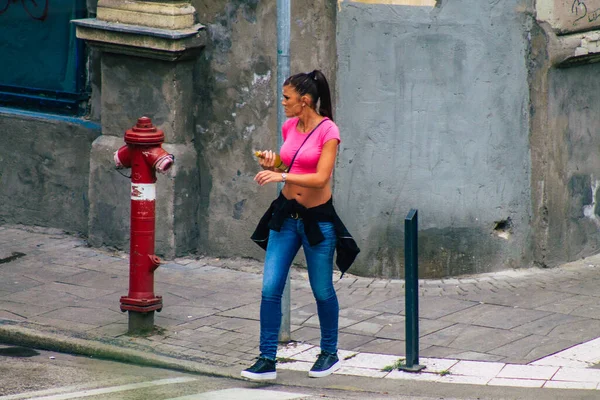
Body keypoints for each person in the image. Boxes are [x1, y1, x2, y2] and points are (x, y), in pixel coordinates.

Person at [241, 70, 360, 381]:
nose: (283, 103)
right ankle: (267, 359)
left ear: (304, 101)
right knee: (270, 289)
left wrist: (281, 176)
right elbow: (290, 164)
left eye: (287, 98)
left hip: (317, 221)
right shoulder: (289, 126)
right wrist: (274, 165)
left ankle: (329, 353)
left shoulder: (328, 132)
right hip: (286, 217)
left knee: (321, 290)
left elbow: (320, 177)